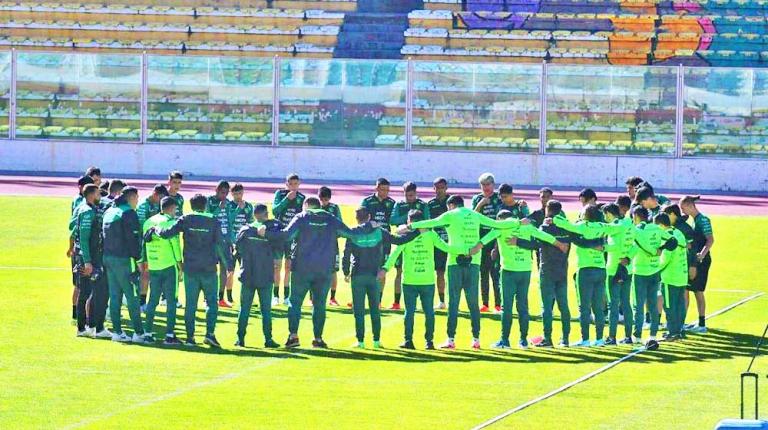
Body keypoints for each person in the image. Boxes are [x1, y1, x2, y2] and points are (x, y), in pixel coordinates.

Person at [405, 195, 525, 350]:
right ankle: (476, 339)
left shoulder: (450, 215)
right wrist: (518, 222)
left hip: (454, 262)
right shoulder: (475, 215)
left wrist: (411, 226)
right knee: (473, 303)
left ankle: (451, 339)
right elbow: (496, 224)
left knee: (453, 302)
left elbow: (432, 222)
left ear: (451, 205)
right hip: (474, 261)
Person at [262, 197, 373, 348]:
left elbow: (287, 235)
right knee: (319, 304)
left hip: (302, 268)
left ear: (306, 206)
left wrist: (266, 233)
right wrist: (368, 226)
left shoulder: (301, 217)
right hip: (324, 269)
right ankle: (318, 338)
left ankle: (293, 336)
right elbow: (351, 233)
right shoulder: (330, 218)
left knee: (295, 302)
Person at [151, 194, 234, 347]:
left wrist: (156, 229)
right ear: (205, 205)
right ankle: (209, 334)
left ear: (191, 205)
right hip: (209, 268)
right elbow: (221, 244)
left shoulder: (186, 219)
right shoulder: (213, 220)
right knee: (212, 303)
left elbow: (167, 233)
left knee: (190, 304)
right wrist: (228, 264)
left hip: (190, 268)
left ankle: (190, 338)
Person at [479, 210, 566, 349]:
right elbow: (544, 236)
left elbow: (484, 240)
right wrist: (559, 244)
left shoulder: (501, 228)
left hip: (509, 271)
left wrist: (471, 250)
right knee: (523, 306)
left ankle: (505, 340)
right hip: (525, 271)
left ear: (500, 219)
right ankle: (523, 340)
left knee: (507, 307)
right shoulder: (527, 227)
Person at [552, 204, 628, 347]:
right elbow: (620, 228)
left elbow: (562, 223)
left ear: (585, 214)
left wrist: (554, 219)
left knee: (585, 307)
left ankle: (585, 339)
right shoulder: (603, 226)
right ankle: (599, 339)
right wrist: (604, 247)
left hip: (585, 270)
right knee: (598, 307)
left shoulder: (582, 226)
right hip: (601, 269)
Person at [343, 208, 418, 348]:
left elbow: (346, 254)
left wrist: (346, 271)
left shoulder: (353, 232)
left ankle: (360, 341)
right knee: (375, 309)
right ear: (369, 216)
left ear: (357, 218)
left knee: (358, 310)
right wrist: (417, 231)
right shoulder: (379, 231)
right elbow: (399, 240)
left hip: (357, 275)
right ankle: (376, 341)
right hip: (374, 275)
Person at [383, 210, 456, 350]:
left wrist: (385, 268)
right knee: (429, 312)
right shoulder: (430, 234)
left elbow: (395, 254)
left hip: (410, 280)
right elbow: (446, 247)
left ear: (409, 221)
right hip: (427, 280)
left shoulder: (405, 236)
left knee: (409, 312)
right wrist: (464, 250)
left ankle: (408, 341)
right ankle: (429, 342)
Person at [627, 206, 677, 346]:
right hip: (655, 271)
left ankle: (637, 335)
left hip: (640, 272)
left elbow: (637, 247)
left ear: (636, 216)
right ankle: (653, 335)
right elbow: (673, 241)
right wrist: (661, 248)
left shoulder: (637, 230)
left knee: (638, 305)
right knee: (653, 304)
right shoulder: (657, 229)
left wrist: (628, 257)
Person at [102, 186, 146, 343]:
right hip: (124, 260)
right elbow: (133, 239)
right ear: (132, 197)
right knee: (132, 296)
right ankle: (139, 333)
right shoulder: (129, 213)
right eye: (137, 198)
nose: (138, 201)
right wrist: (139, 259)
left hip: (108, 258)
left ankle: (117, 332)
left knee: (115, 296)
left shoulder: (109, 211)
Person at [233, 204, 281, 348]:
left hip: (247, 274)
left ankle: (240, 338)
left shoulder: (245, 230)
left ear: (254, 215)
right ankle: (268, 339)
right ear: (266, 214)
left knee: (244, 309)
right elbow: (280, 243)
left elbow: (237, 250)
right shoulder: (272, 230)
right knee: (266, 310)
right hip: (265, 274)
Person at [531, 200, 574, 347]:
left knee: (547, 307)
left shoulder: (545, 227)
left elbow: (535, 242)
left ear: (548, 210)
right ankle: (565, 339)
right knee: (563, 305)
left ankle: (547, 338)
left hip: (547, 269)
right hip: (562, 269)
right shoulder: (566, 228)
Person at [141, 197, 183, 345]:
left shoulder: (148, 222)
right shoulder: (170, 223)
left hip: (154, 265)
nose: (176, 211)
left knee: (153, 300)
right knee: (171, 301)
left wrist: (145, 261)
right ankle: (170, 335)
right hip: (169, 265)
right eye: (175, 209)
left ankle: (147, 333)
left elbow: (144, 244)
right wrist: (180, 265)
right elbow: (175, 245)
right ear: (171, 208)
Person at [72, 184, 110, 339]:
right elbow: (84, 238)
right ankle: (85, 328)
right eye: (98, 194)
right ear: (92, 194)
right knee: (88, 292)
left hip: (89, 257)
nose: (100, 197)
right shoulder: (87, 212)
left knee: (89, 292)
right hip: (88, 259)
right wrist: (87, 261)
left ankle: (87, 327)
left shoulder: (87, 209)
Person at [388, 181, 430, 310]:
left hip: (419, 241)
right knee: (399, 271)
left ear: (416, 193)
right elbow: (392, 220)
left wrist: (414, 224)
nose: (409, 198)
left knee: (418, 269)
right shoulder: (399, 204)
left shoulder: (422, 205)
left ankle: (420, 302)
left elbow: (427, 222)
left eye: (411, 195)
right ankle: (396, 302)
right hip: (403, 239)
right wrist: (408, 219)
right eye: (407, 195)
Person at [680, 195, 714, 334]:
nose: (682, 212)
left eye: (683, 208)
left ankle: (701, 324)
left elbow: (710, 239)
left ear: (690, 206)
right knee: (687, 290)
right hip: (694, 260)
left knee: (698, 291)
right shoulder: (694, 220)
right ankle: (682, 322)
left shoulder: (703, 220)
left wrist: (702, 254)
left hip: (701, 261)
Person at [601, 203, 634, 345]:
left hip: (613, 270)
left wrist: (602, 247)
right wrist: (628, 257)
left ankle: (612, 336)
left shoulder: (615, 226)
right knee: (626, 303)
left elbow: (613, 246)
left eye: (604, 214)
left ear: (608, 213)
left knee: (613, 304)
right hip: (628, 269)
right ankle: (628, 336)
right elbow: (635, 245)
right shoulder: (629, 224)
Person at [471, 173, 503, 314]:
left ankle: (498, 304)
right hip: (481, 237)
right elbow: (472, 217)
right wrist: (481, 204)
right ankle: (485, 303)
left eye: (488, 184)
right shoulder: (477, 199)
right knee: (483, 272)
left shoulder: (498, 198)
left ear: (493, 185)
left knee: (495, 273)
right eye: (483, 185)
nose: (486, 187)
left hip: (495, 236)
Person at [272, 173, 305, 306]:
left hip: (292, 237)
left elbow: (303, 216)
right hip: (279, 235)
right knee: (276, 266)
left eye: (296, 184)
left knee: (288, 267)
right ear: (286, 184)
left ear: (299, 184)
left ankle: (286, 296)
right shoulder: (280, 194)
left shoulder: (302, 198)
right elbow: (274, 211)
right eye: (291, 184)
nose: (293, 186)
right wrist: (286, 199)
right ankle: (275, 295)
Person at [360, 178, 396, 304]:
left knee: (382, 269)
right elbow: (361, 218)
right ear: (376, 188)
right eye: (382, 189)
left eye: (387, 190)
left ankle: (378, 300)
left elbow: (394, 220)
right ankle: (361, 297)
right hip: (369, 240)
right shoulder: (367, 201)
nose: (385, 192)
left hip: (384, 241)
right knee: (366, 268)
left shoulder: (392, 203)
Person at [655, 213, 688, 341]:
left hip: (670, 277)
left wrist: (655, 269)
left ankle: (672, 332)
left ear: (660, 225)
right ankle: (679, 330)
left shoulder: (666, 236)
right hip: (682, 275)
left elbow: (665, 258)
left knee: (669, 306)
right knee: (680, 304)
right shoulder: (679, 233)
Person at [137, 184, 169, 310]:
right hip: (142, 244)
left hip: (154, 244)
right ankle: (141, 302)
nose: (161, 201)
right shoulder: (143, 206)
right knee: (144, 273)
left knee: (152, 273)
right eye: (160, 198)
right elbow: (141, 227)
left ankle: (150, 300)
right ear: (155, 193)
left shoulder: (157, 205)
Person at [68, 174, 94, 322]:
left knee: (79, 285)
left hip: (77, 247)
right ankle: (82, 317)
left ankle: (77, 314)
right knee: (82, 286)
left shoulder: (79, 203)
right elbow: (73, 228)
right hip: (82, 249)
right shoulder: (83, 205)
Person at [207, 180, 236, 309]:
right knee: (210, 269)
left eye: (226, 193)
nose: (224, 195)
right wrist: (219, 208)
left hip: (225, 241)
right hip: (212, 241)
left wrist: (232, 239)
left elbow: (229, 222)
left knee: (226, 270)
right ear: (217, 190)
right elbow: (208, 217)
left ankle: (221, 298)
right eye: (222, 192)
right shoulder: (209, 201)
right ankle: (208, 297)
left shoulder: (228, 203)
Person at [226, 183, 254, 306]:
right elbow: (229, 221)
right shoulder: (229, 205)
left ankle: (246, 297)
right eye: (236, 194)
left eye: (240, 193)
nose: (238, 196)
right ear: (232, 194)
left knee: (247, 271)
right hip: (232, 242)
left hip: (245, 243)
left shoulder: (248, 206)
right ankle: (229, 296)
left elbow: (251, 221)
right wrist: (238, 209)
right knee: (230, 271)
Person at [427, 177, 451, 310]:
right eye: (437, 188)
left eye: (442, 187)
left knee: (453, 273)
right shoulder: (430, 204)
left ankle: (453, 300)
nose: (440, 190)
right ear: (433, 188)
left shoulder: (452, 202)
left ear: (446, 188)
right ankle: (442, 301)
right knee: (439, 272)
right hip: (437, 243)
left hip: (452, 242)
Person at [319, 186, 343, 306]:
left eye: (326, 200)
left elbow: (340, 225)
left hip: (332, 244)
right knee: (316, 269)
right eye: (322, 199)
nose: (324, 202)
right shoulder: (315, 208)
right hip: (317, 245)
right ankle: (313, 297)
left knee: (333, 270)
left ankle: (332, 298)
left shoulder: (334, 208)